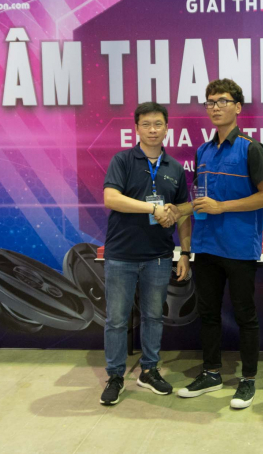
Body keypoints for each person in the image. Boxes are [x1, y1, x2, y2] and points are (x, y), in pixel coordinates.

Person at [171, 79, 263, 409]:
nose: (215, 108)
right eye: (210, 102)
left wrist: (222, 207)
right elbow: (201, 201)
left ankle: (248, 380)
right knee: (208, 314)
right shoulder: (203, 151)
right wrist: (179, 211)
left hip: (239, 248)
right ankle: (211, 373)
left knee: (245, 315)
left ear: (238, 107)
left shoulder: (251, 148)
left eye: (223, 101)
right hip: (206, 246)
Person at [99, 102, 191, 406]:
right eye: (146, 124)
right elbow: (111, 198)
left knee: (154, 316)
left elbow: (182, 213)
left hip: (159, 256)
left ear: (167, 128)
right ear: (136, 128)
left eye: (158, 124)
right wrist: (152, 208)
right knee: (116, 319)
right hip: (121, 255)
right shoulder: (122, 160)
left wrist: (185, 252)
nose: (153, 130)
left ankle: (149, 370)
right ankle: (115, 375)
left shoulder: (175, 168)